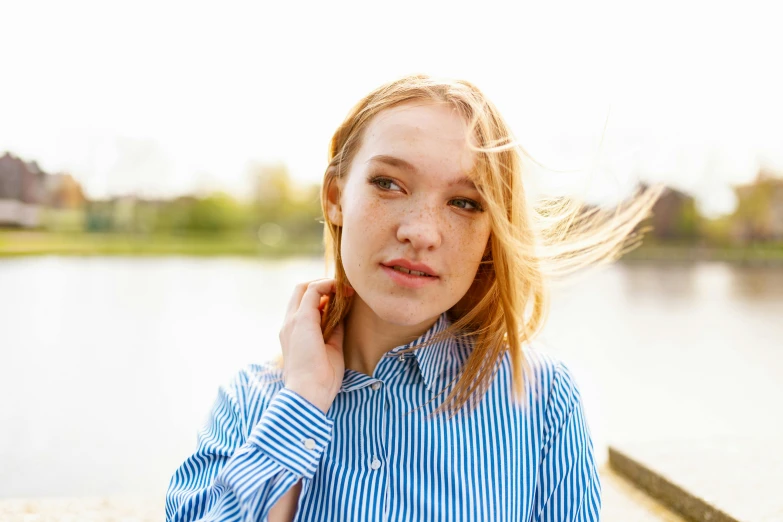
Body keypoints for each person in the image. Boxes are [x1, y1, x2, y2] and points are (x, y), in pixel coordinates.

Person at [165, 75, 661, 521]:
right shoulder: (255, 398)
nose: (421, 232)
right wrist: (301, 404)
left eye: (464, 203)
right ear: (336, 197)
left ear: (494, 231)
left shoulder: (541, 399)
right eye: (389, 184)